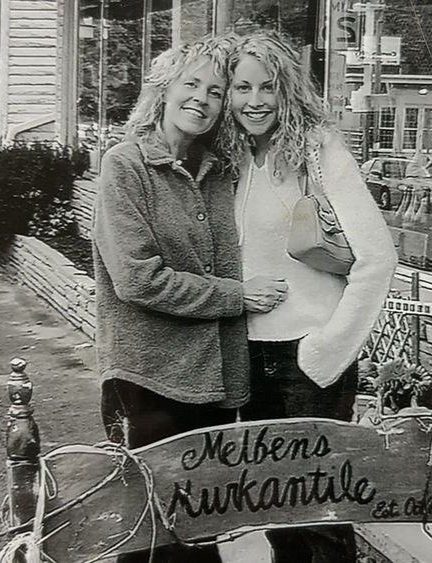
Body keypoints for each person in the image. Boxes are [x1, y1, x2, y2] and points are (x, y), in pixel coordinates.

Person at [91, 35, 287, 563]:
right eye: (192, 84)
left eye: (217, 91)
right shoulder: (125, 165)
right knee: (151, 537)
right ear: (163, 90)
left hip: (213, 382)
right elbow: (137, 278)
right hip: (147, 378)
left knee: (201, 532)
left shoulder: (220, 172)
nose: (203, 97)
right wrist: (237, 297)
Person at [219, 30, 398, 563]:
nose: (254, 101)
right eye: (241, 87)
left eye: (267, 87)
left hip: (307, 362)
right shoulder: (228, 158)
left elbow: (378, 258)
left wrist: (328, 348)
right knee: (276, 518)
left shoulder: (317, 151)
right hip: (247, 360)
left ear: (286, 89)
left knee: (320, 522)